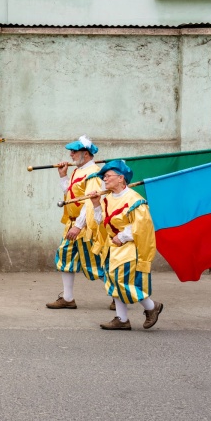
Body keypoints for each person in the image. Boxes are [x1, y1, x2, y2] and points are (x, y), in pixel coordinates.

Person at [91, 160, 163, 331]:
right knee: (113, 281)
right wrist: (96, 204)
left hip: (129, 247)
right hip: (112, 247)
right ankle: (122, 319)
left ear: (121, 178)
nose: (105, 179)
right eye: (104, 177)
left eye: (108, 176)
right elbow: (101, 222)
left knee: (122, 281)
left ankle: (152, 306)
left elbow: (142, 226)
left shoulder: (135, 200)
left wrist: (122, 237)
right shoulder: (107, 199)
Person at [47, 135, 106, 309]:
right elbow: (71, 196)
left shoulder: (94, 173)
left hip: (87, 225)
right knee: (65, 256)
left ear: (86, 154)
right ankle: (67, 298)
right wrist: (63, 176)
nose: (71, 155)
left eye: (74, 151)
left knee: (97, 263)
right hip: (73, 223)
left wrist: (79, 226)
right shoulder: (78, 171)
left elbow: (90, 202)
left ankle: (119, 295)